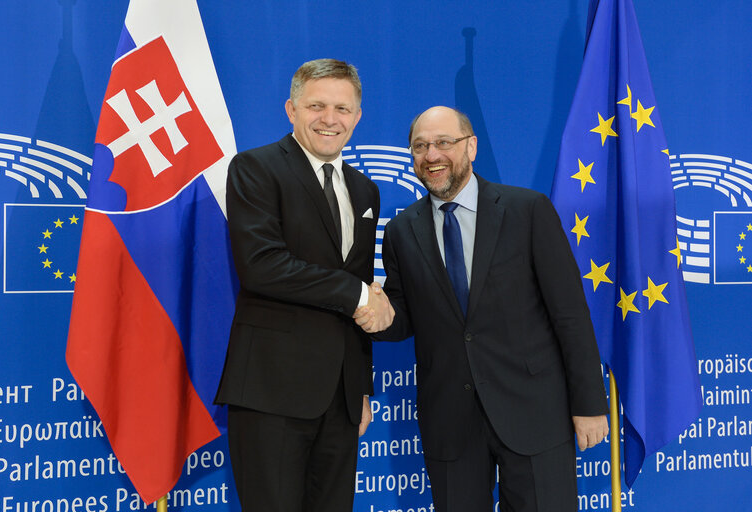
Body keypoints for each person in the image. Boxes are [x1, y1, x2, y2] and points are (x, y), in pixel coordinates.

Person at [356, 106, 609, 512]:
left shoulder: (527, 210)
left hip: (534, 413)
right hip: (450, 421)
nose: (431, 155)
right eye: (420, 146)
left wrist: (590, 405)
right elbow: (405, 317)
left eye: (443, 143)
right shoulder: (402, 230)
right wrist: (377, 314)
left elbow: (571, 315)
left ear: (471, 147)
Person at [215, 58, 394, 512]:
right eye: (316, 105)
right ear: (291, 109)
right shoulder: (256, 168)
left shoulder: (365, 190)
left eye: (342, 108)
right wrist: (356, 295)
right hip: (271, 391)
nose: (330, 119)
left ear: (358, 115)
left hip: (341, 397)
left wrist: (362, 388)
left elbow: (362, 288)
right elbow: (263, 265)